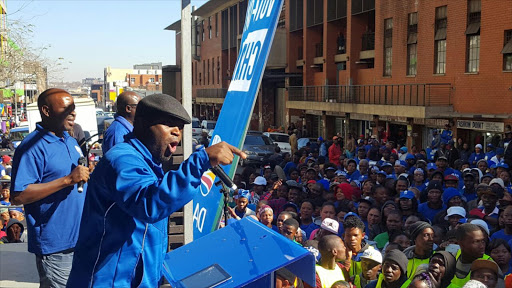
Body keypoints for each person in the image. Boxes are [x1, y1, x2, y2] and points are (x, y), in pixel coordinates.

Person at [66, 94, 246, 287]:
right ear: (142, 124)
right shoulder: (122, 160)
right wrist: (200, 161)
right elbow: (149, 204)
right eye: (169, 124)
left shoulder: (148, 162)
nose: (177, 132)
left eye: (181, 127)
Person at [10, 88, 91, 288]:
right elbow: (18, 196)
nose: (73, 113)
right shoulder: (31, 147)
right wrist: (67, 180)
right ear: (46, 111)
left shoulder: (70, 141)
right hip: (55, 247)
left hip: (79, 240)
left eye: (74, 108)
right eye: (67, 108)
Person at [447, 224, 492, 288]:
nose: (482, 246)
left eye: (483, 241)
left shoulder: (489, 264)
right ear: (461, 243)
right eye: (476, 242)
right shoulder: (450, 260)